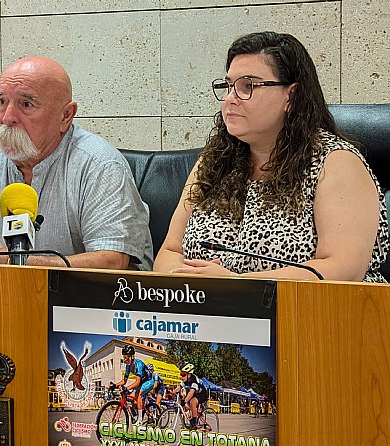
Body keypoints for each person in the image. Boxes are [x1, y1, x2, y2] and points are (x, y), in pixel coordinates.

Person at [154, 32, 389, 282]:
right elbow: (170, 251)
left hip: (320, 315)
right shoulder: (213, 162)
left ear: (291, 95)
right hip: (216, 314)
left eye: (248, 86)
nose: (230, 99)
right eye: (228, 86)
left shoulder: (335, 163)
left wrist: (237, 287)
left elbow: (342, 269)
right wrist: (181, 279)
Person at [0, 56, 153, 270]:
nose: (7, 118)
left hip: (72, 311)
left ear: (65, 116)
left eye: (26, 104)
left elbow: (113, 262)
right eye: (1, 101)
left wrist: (13, 261)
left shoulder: (100, 166)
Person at [115, 345, 153, 423]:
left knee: (138, 393)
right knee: (131, 398)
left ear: (132, 356)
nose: (125, 360)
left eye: (126, 357)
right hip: (141, 382)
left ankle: (140, 420)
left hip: (149, 381)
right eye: (124, 357)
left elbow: (137, 382)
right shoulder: (128, 366)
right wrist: (114, 385)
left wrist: (126, 388)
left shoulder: (138, 364)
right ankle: (144, 413)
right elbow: (124, 381)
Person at [178, 362, 208, 429]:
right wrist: (170, 393)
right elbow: (178, 388)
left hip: (202, 394)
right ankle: (194, 416)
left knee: (192, 402)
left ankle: (194, 423)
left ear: (189, 374)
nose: (181, 376)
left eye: (183, 374)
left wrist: (185, 401)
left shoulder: (194, 379)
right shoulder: (185, 380)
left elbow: (191, 392)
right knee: (187, 404)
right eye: (180, 374)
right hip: (195, 394)